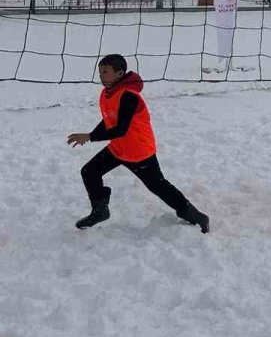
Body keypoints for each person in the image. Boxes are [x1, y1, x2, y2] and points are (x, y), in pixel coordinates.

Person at [67, 54, 209, 233]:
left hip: (139, 151)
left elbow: (121, 129)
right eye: (100, 71)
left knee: (158, 186)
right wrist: (93, 134)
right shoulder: (107, 93)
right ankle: (100, 210)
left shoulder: (128, 97)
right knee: (89, 172)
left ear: (119, 74)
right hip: (119, 148)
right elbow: (108, 120)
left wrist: (89, 136)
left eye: (105, 72)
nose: (101, 76)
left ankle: (195, 216)